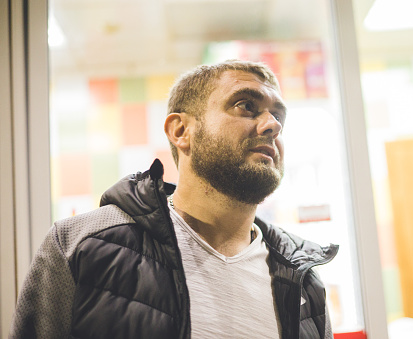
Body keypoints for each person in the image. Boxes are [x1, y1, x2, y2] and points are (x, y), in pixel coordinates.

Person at [10, 60, 338, 339]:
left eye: (278, 115)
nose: (272, 125)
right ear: (181, 131)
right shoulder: (82, 245)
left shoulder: (304, 278)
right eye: (245, 106)